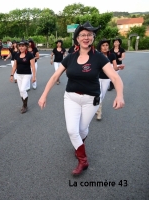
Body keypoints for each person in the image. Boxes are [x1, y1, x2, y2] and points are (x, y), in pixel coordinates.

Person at [38, 21, 125, 176]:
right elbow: (55, 76)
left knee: (82, 129)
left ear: (93, 38)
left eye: (90, 35)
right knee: (72, 130)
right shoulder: (70, 57)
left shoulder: (99, 58)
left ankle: (79, 146)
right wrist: (44, 95)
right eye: (83, 35)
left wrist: (120, 95)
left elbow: (115, 77)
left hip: (90, 100)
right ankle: (83, 160)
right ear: (77, 38)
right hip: (70, 97)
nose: (86, 37)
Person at [96, 39, 124, 120]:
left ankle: (97, 108)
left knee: (102, 95)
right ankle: (99, 112)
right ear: (100, 47)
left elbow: (114, 68)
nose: (105, 47)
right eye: (103, 45)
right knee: (98, 94)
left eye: (107, 45)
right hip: (96, 78)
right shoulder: (97, 55)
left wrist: (119, 67)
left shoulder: (112, 55)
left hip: (106, 78)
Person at [10, 40, 36, 114]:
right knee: (21, 92)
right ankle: (24, 104)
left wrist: (34, 77)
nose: (21, 47)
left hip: (27, 75)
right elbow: (14, 66)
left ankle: (25, 106)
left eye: (23, 46)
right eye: (20, 46)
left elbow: (33, 67)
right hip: (19, 75)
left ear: (26, 47)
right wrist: (12, 75)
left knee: (22, 89)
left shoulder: (30, 55)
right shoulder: (16, 55)